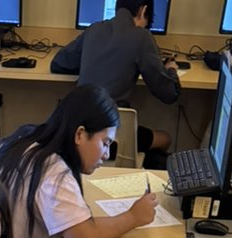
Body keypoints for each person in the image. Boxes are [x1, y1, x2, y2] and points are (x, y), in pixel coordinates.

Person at [0, 85, 158, 238]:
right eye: (105, 143)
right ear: (79, 134)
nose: (106, 155)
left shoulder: (26, 138)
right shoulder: (54, 173)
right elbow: (83, 236)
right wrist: (133, 217)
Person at [50, 2, 180, 168]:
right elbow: (169, 93)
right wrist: (171, 70)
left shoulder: (94, 29)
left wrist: (90, 62)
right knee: (165, 138)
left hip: (77, 128)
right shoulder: (141, 36)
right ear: (143, 10)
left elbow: (58, 63)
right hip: (112, 134)